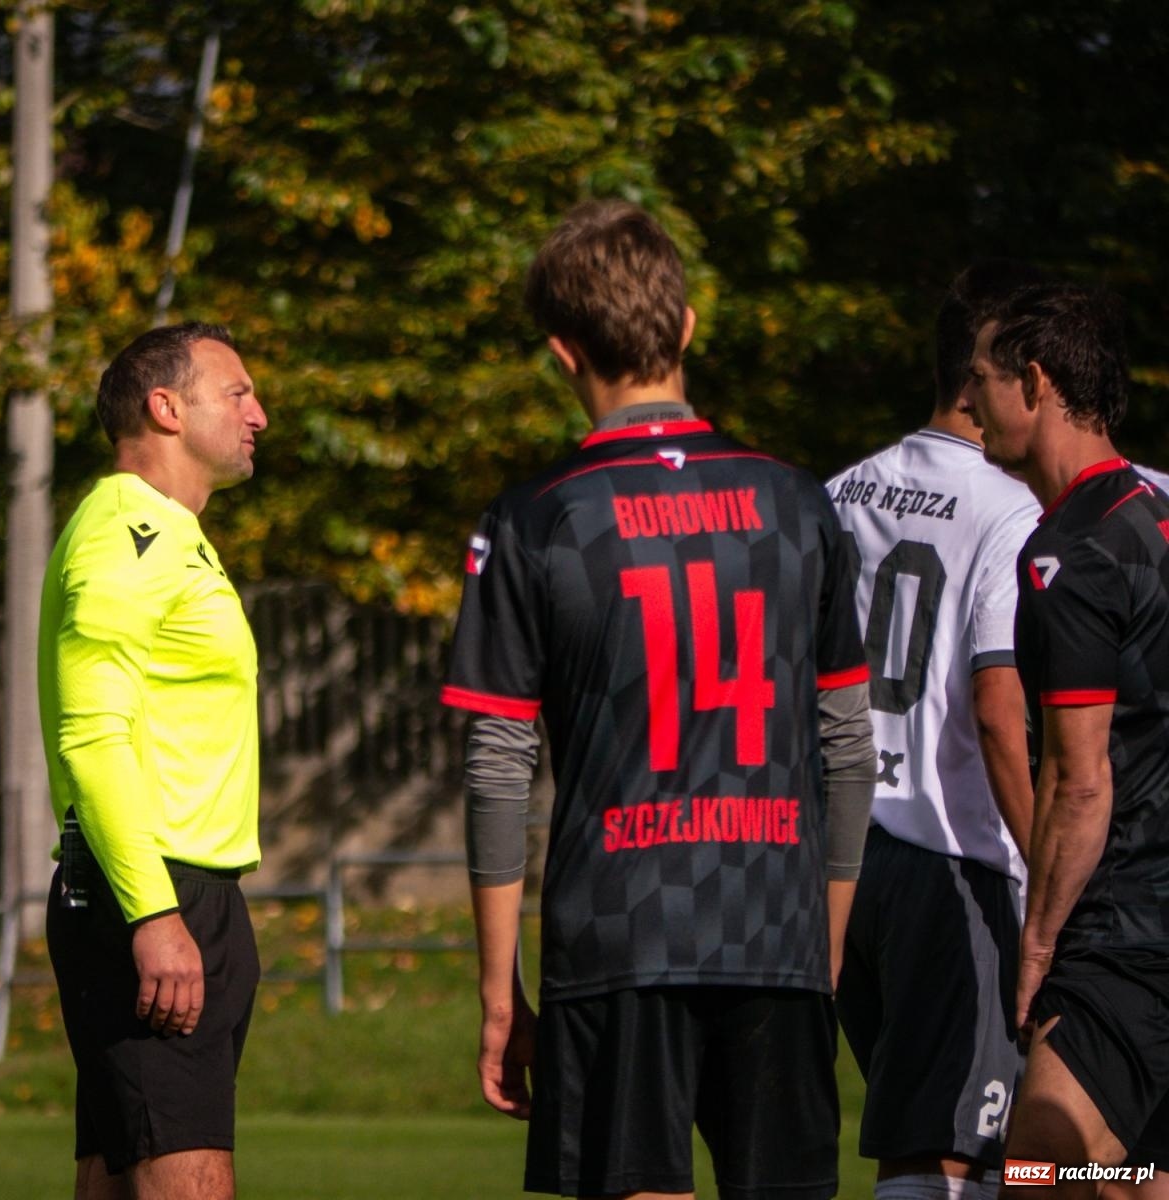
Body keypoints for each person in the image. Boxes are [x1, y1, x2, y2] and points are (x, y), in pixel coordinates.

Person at [442, 199, 876, 1200]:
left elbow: (498, 767)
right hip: (774, 919)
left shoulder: (534, 519)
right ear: (684, 328)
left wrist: (496, 989)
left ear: (561, 353)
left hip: (620, 925)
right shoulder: (797, 504)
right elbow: (847, 747)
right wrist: (830, 928)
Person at [825, 263, 1042, 1200]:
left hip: (838, 859)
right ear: (981, 379)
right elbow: (1000, 713)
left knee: (952, 1138)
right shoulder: (1010, 509)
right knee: (952, 1156)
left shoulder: (838, 493)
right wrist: (1048, 872)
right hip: (951, 860)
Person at [38, 321, 268, 1200]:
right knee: (188, 1176)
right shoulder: (127, 533)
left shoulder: (166, 533)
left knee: (117, 1174)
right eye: (237, 393)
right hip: (153, 894)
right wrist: (153, 915)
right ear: (165, 408)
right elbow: (91, 736)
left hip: (175, 894)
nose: (260, 414)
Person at [960, 284, 1169, 1198]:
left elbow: (1078, 783)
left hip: (1124, 931)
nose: (968, 404)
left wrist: (1038, 944)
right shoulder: (1155, 517)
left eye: (981, 381)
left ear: (1035, 384)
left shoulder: (1070, 553)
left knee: (1041, 1168)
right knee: (1131, 1180)